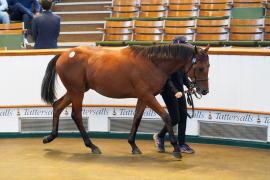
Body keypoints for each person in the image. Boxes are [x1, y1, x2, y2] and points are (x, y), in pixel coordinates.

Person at [153, 36, 195, 154]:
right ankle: (160, 136)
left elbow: (183, 76)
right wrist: (175, 91)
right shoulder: (168, 60)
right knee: (175, 118)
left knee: (183, 117)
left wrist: (190, 86)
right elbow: (167, 78)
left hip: (180, 91)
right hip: (168, 91)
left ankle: (181, 144)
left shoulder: (181, 60)